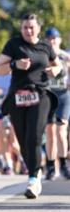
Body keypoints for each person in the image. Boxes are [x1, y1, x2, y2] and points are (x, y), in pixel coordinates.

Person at [0, 14, 61, 198]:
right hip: (18, 96)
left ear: (38, 29)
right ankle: (35, 171)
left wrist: (55, 70)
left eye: (31, 27)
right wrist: (15, 64)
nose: (28, 31)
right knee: (23, 140)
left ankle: (33, 179)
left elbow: (58, 66)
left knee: (34, 135)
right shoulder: (14, 44)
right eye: (25, 27)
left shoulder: (45, 46)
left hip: (40, 94)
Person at [43, 27, 70, 180]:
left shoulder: (66, 56)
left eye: (54, 38)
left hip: (63, 96)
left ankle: (64, 165)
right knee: (50, 132)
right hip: (48, 96)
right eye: (49, 38)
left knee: (61, 131)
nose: (52, 41)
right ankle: (51, 166)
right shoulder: (43, 55)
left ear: (59, 40)